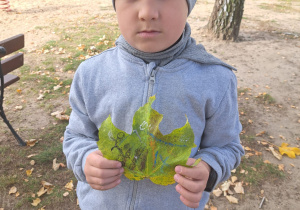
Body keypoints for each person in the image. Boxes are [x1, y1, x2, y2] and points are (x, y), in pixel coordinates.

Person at [63, 0, 245, 209]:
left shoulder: (217, 79)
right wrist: (84, 159)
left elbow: (227, 146)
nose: (147, 13)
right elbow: (76, 136)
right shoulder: (91, 74)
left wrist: (209, 169)